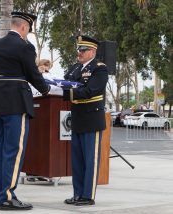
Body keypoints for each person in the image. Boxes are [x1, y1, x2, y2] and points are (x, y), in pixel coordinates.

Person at [0, 12, 50, 210]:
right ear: (23, 27)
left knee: (0, 149)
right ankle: (6, 196)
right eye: (28, 29)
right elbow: (32, 73)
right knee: (14, 150)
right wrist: (46, 88)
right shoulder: (24, 46)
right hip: (15, 101)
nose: (28, 32)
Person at [63, 35, 108, 206]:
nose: (79, 53)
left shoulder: (100, 68)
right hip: (77, 117)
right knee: (77, 160)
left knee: (90, 160)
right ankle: (77, 194)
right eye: (79, 50)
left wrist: (70, 92)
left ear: (93, 52)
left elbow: (92, 90)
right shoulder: (75, 68)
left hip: (91, 117)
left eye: (83, 50)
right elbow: (65, 83)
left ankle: (87, 196)